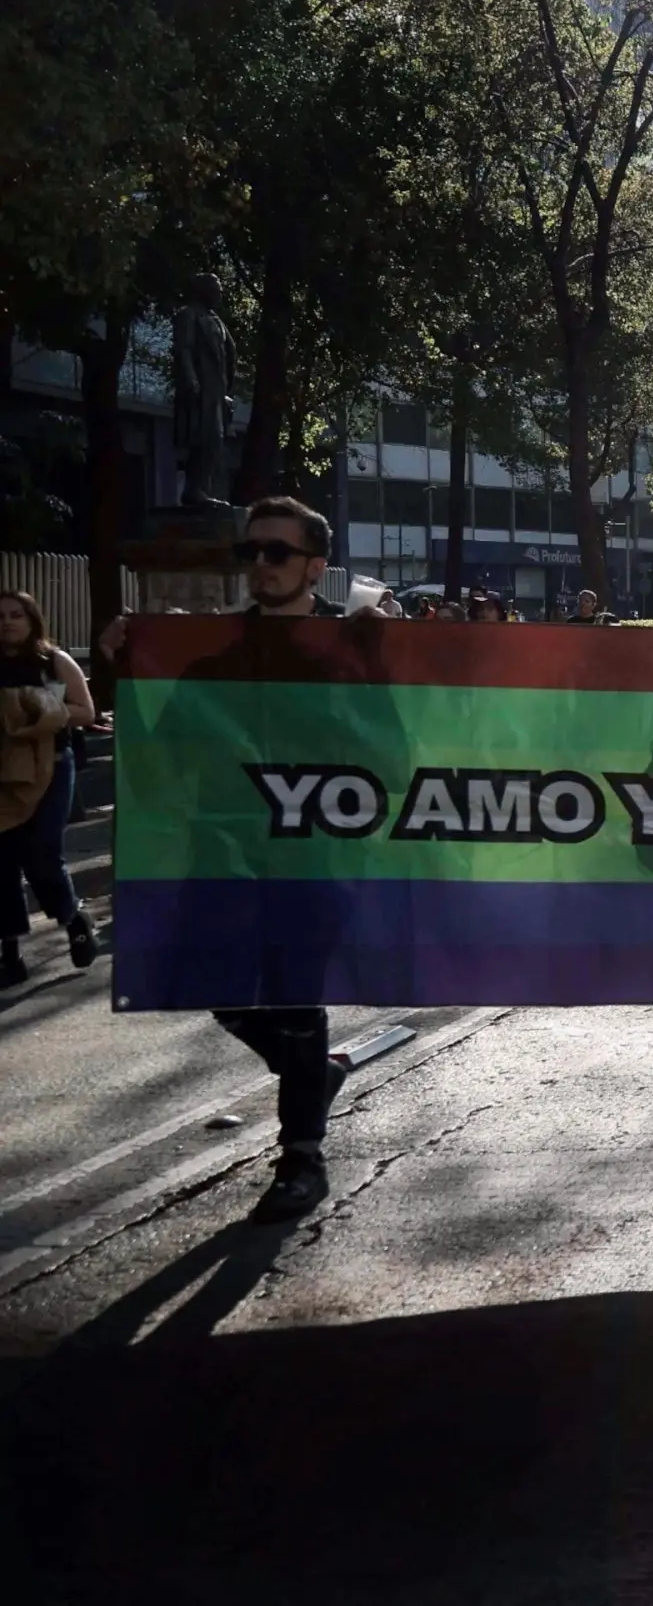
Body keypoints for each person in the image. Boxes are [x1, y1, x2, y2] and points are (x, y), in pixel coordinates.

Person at [96, 496, 367, 1222]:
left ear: (315, 565)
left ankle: (301, 1158)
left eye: (275, 552)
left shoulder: (353, 652)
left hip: (316, 858)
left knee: (294, 997)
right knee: (205, 982)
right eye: (250, 552)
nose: (259, 565)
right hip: (220, 856)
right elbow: (162, 758)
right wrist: (128, 663)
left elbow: (393, 753)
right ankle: (311, 1075)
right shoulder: (207, 653)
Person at [0, 591, 99, 986]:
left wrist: (37, 709)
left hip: (51, 768)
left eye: (15, 615)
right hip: (2, 772)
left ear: (32, 620)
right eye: (1, 616)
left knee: (42, 852)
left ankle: (74, 920)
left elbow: (86, 712)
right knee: (1, 859)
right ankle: (9, 952)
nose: (7, 622)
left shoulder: (53, 662)